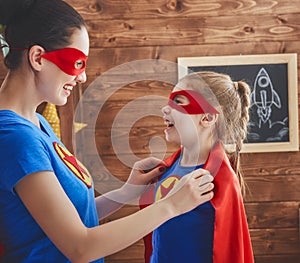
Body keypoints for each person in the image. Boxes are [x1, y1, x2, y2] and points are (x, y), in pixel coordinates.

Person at [0, 0, 215, 262]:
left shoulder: (36, 123)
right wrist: (171, 206)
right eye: (78, 63)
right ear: (37, 58)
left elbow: (69, 220)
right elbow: (80, 246)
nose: (82, 77)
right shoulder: (15, 137)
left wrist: (127, 191)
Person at [139, 71, 254, 263]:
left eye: (178, 102)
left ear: (207, 118)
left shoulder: (218, 180)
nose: (165, 109)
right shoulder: (169, 167)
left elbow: (230, 252)